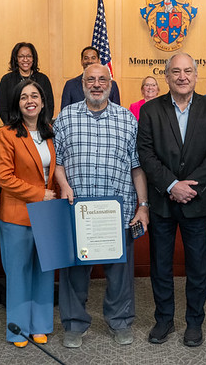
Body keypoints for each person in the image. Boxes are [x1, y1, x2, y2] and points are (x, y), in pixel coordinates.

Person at [53, 64, 149, 348]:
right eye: (90, 79)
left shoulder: (128, 119)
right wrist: (65, 186)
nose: (96, 84)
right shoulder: (65, 118)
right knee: (73, 272)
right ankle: (74, 324)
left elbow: (137, 168)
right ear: (82, 84)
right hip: (76, 211)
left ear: (111, 83)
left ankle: (120, 322)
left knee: (120, 273)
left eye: (102, 79)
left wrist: (142, 206)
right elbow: (57, 164)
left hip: (117, 213)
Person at [137, 52, 206, 347]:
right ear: (166, 76)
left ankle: (194, 322)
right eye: (175, 71)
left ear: (196, 75)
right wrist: (171, 185)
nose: (182, 76)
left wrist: (190, 185)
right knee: (161, 265)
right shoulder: (151, 110)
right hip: (163, 201)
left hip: (197, 200)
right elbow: (145, 154)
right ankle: (163, 320)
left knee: (197, 267)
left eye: (188, 71)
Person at [0, 79, 58, 348]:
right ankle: (18, 330)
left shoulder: (51, 131)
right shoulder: (7, 133)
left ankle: (41, 326)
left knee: (44, 272)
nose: (30, 100)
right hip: (17, 215)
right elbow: (4, 176)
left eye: (35, 96)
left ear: (43, 102)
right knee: (19, 274)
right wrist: (39, 194)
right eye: (23, 97)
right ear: (17, 104)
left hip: (47, 214)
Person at [0, 42, 54, 125]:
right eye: (21, 56)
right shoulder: (7, 80)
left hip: (39, 128)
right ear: (16, 59)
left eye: (29, 56)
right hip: (13, 129)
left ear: (33, 58)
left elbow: (49, 106)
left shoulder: (43, 79)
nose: (25, 59)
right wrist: (11, 127)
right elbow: (3, 108)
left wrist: (41, 125)